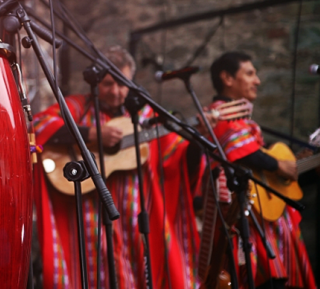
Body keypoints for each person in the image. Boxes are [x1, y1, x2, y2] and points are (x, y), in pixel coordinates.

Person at [32, 46, 201, 289]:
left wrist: (199, 139)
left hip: (134, 216)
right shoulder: (79, 106)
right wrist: (90, 133)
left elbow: (178, 157)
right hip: (90, 216)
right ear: (96, 82)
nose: (116, 92)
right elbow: (39, 126)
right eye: (108, 84)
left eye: (122, 84)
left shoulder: (143, 116)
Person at [206, 51, 316, 289]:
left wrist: (296, 166)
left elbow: (258, 161)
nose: (257, 80)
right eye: (249, 73)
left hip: (271, 226)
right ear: (227, 78)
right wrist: (278, 165)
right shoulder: (219, 114)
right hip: (247, 228)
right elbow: (242, 151)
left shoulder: (246, 122)